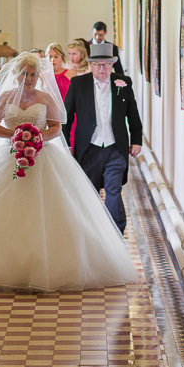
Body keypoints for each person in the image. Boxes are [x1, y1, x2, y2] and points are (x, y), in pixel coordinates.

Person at [0, 51, 137, 291]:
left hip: (43, 155)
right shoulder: (5, 97)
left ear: (39, 75)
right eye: (25, 74)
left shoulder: (46, 98)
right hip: (9, 155)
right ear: (16, 75)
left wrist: (37, 137)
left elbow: (56, 128)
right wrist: (14, 136)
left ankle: (55, 265)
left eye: (33, 74)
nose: (29, 78)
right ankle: (7, 266)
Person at [64, 41, 142, 233]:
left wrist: (137, 140)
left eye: (107, 64)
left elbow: (133, 114)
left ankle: (114, 233)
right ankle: (91, 232)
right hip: (88, 148)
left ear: (112, 63)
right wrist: (65, 146)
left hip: (115, 148)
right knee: (89, 193)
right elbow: (66, 117)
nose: (102, 68)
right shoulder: (78, 84)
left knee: (113, 190)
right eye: (98, 64)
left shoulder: (123, 83)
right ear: (90, 64)